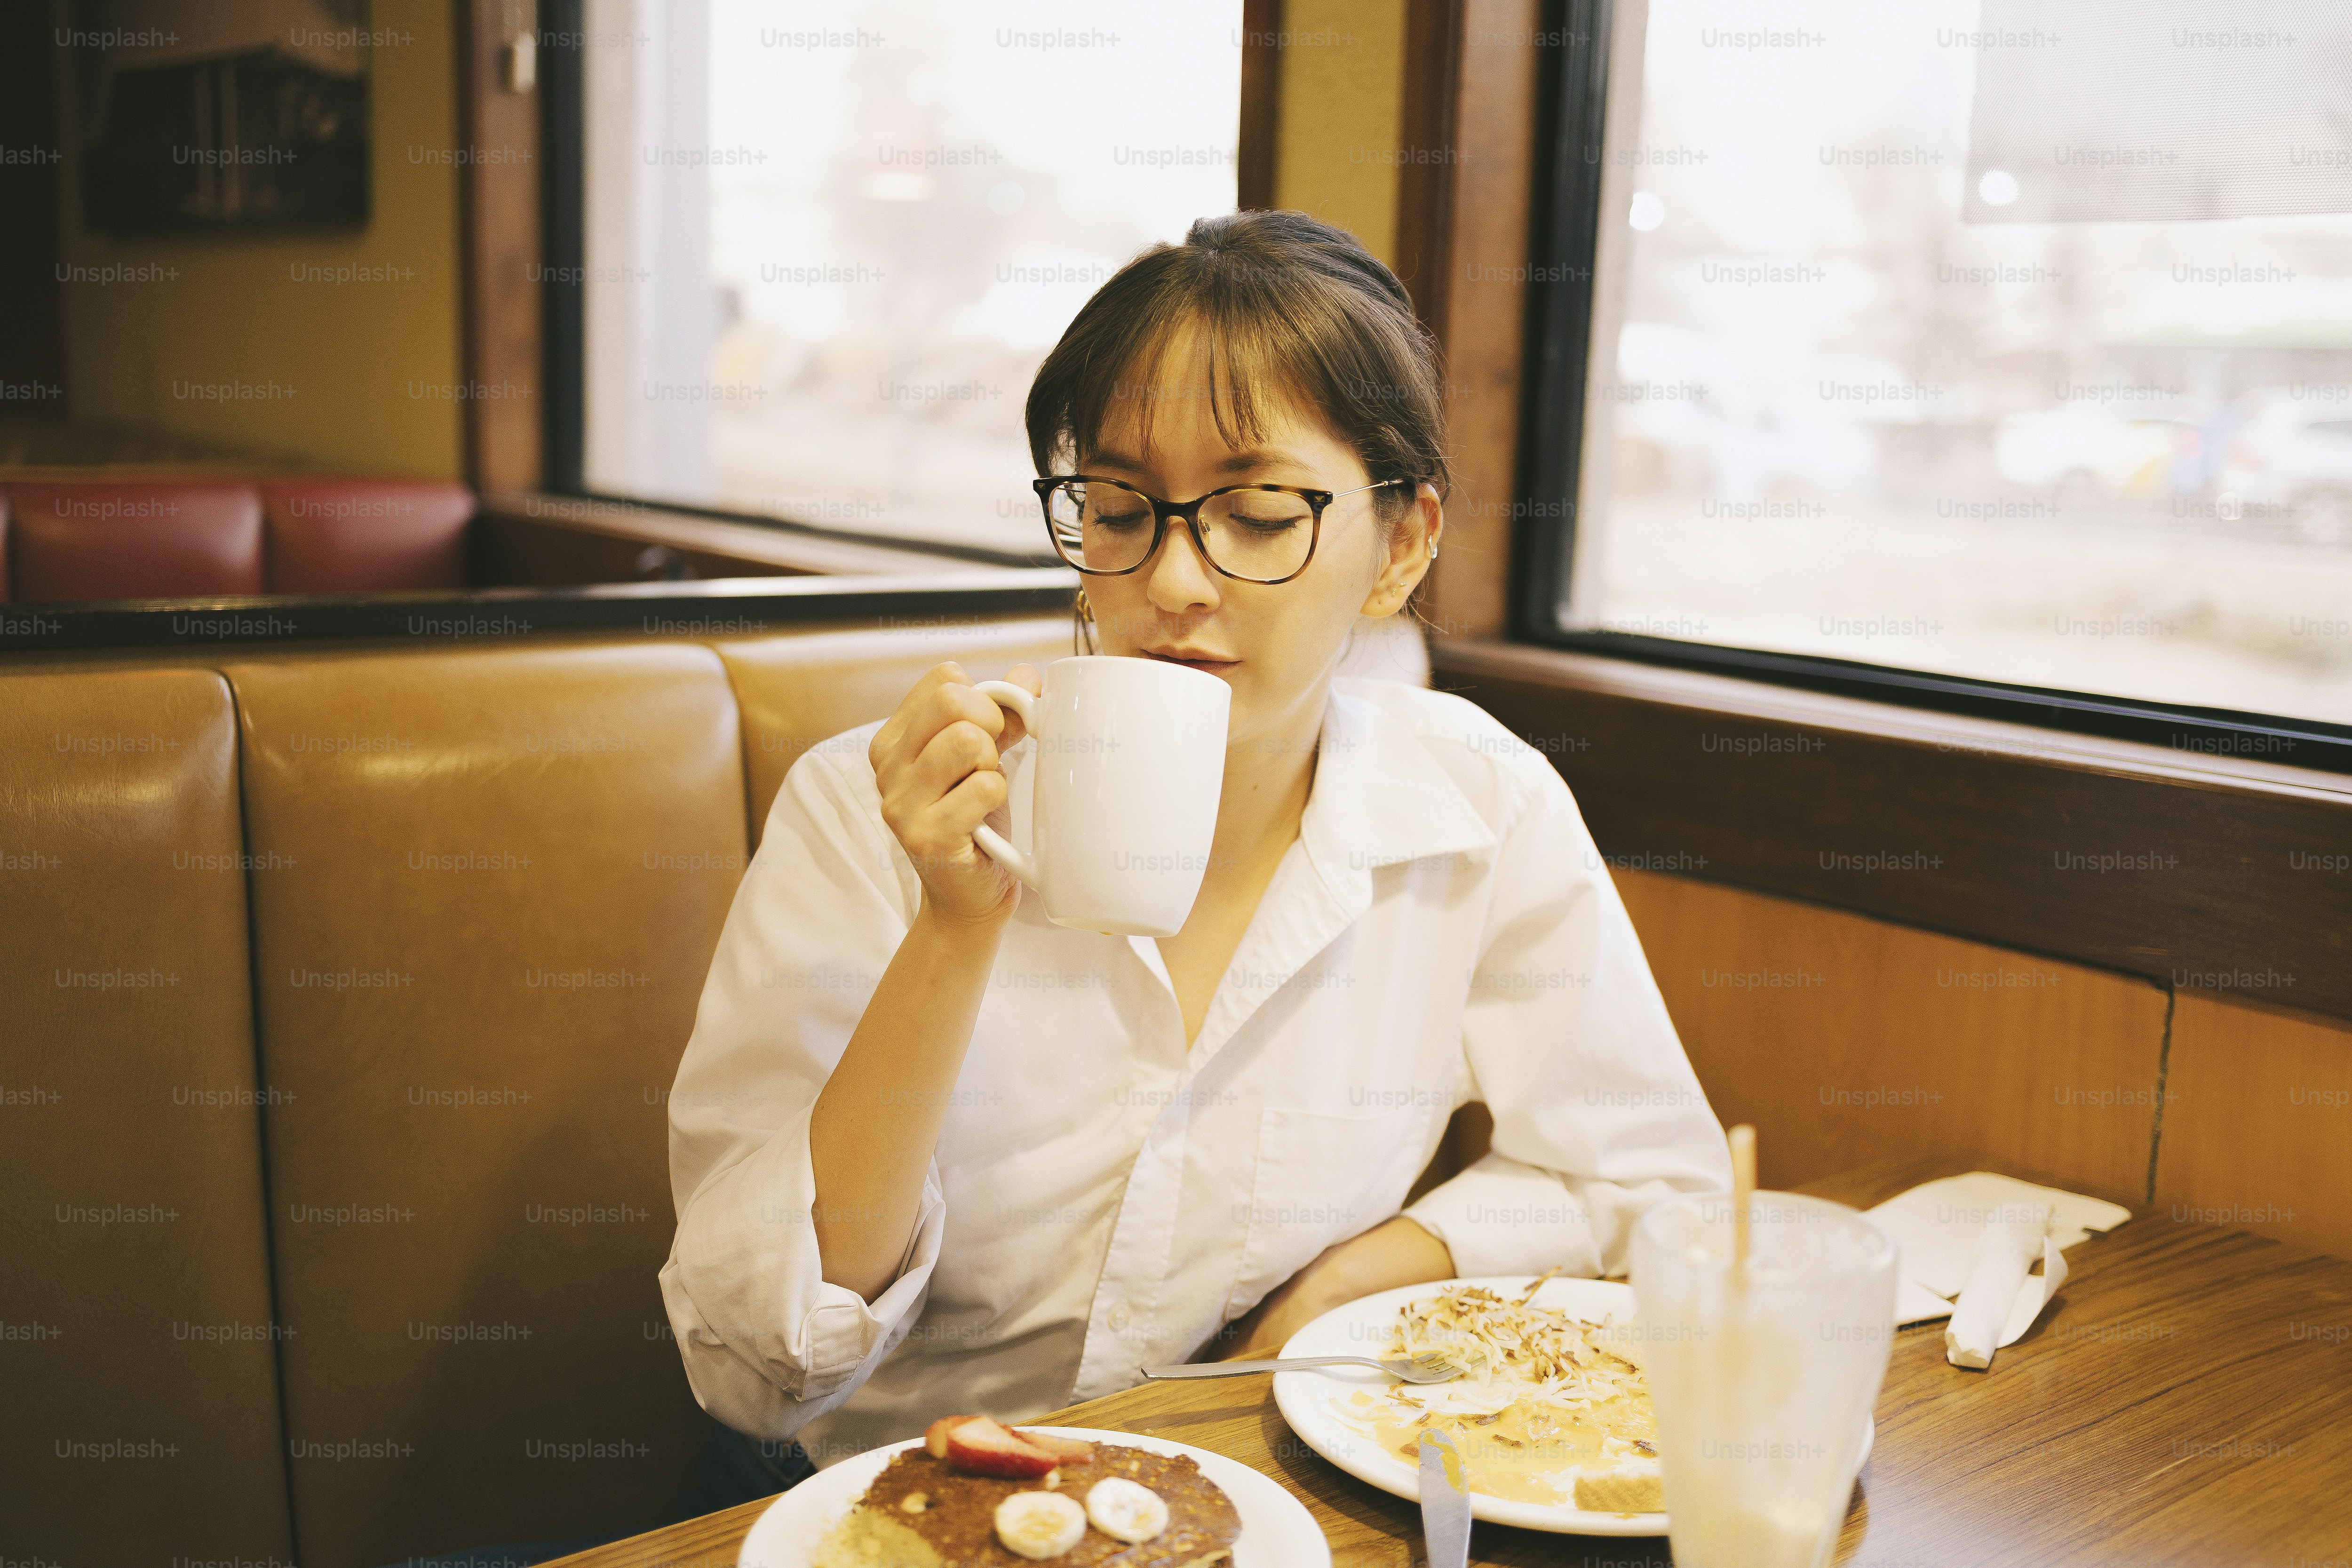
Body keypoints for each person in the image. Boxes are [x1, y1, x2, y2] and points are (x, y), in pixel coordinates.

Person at [658, 209, 1730, 1496]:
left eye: (1260, 515)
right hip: (887, 1500)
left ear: (1400, 547)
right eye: (1119, 510)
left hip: (1250, 1488)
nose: (1171, 582)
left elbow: (1643, 1178)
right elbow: (757, 1370)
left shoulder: (1478, 807)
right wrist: (954, 926)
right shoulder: (877, 812)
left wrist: (1351, 1283)